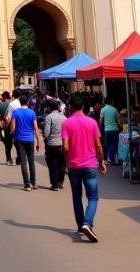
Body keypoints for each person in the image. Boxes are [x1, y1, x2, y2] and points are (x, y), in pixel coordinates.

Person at [62, 94, 107, 242]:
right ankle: (87, 223)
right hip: (90, 165)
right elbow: (98, 145)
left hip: (73, 166)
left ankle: (81, 224)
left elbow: (65, 146)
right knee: (93, 196)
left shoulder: (67, 123)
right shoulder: (92, 122)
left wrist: (67, 160)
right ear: (83, 107)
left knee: (76, 196)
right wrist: (101, 161)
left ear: (71, 107)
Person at [10, 95, 39, 190]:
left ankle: (27, 184)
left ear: (20, 103)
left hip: (19, 139)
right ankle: (33, 183)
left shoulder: (15, 113)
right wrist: (38, 142)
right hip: (30, 139)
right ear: (27, 103)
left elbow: (13, 128)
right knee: (31, 161)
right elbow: (35, 128)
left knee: (23, 161)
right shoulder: (32, 113)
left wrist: (13, 133)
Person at [42, 99, 67, 190]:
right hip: (62, 144)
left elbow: (47, 132)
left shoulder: (49, 117)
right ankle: (60, 182)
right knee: (62, 164)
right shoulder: (64, 117)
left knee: (52, 164)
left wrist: (45, 137)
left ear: (49, 108)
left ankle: (55, 184)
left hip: (51, 144)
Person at [99, 97, 120, 165]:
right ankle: (117, 159)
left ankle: (110, 159)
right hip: (115, 129)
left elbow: (101, 122)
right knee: (116, 144)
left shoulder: (103, 110)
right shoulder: (115, 109)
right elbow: (118, 121)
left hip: (107, 130)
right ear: (111, 101)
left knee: (108, 144)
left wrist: (100, 127)